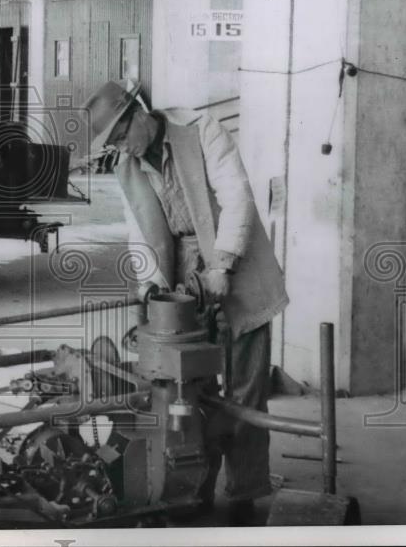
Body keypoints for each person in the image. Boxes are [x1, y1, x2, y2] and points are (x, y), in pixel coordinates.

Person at [83, 80, 289, 526]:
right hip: (183, 273)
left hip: (237, 264)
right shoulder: (128, 166)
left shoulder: (202, 129)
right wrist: (150, 286)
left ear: (139, 112)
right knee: (191, 391)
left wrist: (223, 265)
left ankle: (244, 495)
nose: (123, 148)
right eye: (114, 144)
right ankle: (193, 488)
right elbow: (140, 230)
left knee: (245, 391)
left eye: (122, 136)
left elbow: (237, 198)